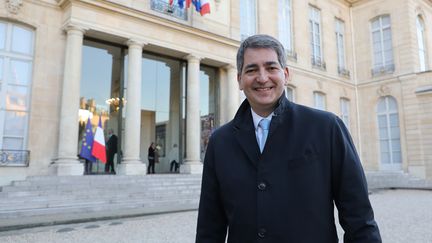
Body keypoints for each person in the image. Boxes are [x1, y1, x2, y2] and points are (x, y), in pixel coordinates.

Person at [195, 35, 382, 242]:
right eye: (251, 70)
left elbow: (359, 218)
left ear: (285, 74)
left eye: (271, 68)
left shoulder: (326, 128)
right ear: (239, 79)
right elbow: (209, 227)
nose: (262, 77)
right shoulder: (220, 141)